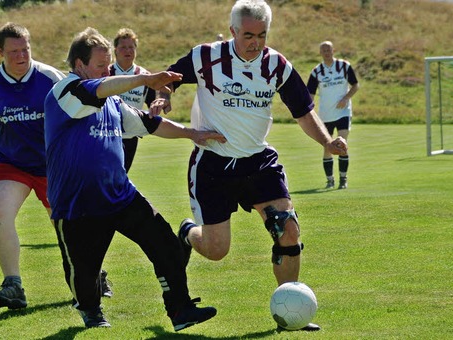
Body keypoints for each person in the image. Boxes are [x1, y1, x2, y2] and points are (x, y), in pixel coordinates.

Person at [149, 0, 348, 332]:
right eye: (248, 35)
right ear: (232, 32)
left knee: (287, 228)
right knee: (216, 251)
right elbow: (167, 80)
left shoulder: (277, 66)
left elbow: (303, 110)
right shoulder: (205, 56)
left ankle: (290, 313)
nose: (255, 42)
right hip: (213, 165)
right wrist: (164, 96)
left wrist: (327, 141)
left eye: (262, 35)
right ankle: (187, 233)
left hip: (258, 163)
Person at [44, 27, 224, 330]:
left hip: (120, 195)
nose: (107, 71)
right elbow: (99, 89)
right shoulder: (65, 91)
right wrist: (144, 79)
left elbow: (148, 124)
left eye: (108, 65)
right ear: (78, 65)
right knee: (85, 275)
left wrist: (191, 133)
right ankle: (90, 310)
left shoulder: (113, 103)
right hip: (78, 204)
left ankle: (180, 311)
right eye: (101, 65)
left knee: (165, 242)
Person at [0, 22, 112, 310]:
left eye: (25, 49)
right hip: (11, 164)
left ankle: (92, 276)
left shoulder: (51, 77)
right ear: (0, 52)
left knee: (68, 227)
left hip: (55, 166)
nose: (21, 56)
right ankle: (13, 285)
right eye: (13, 51)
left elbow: (81, 111)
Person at [306, 40, 359, 189]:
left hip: (343, 112)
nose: (327, 53)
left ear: (333, 50)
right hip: (325, 115)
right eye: (324, 50)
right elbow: (310, 93)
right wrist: (308, 110)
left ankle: (343, 179)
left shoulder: (344, 66)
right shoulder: (317, 71)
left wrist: (346, 98)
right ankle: (330, 180)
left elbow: (355, 85)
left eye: (329, 50)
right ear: (320, 53)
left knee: (342, 143)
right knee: (327, 147)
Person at [108, 28, 155, 172]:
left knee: (122, 174)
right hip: (106, 132)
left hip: (131, 134)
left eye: (131, 47)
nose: (127, 51)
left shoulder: (145, 76)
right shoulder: (106, 73)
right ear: (115, 50)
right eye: (123, 47)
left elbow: (153, 101)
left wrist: (157, 105)